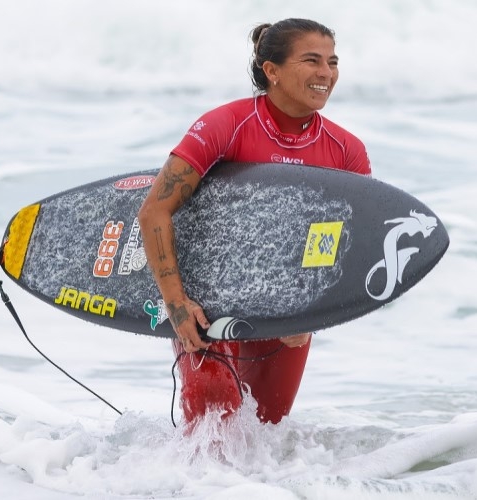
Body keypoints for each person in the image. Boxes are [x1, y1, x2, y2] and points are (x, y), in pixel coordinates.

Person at [138, 18, 371, 425]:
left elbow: (342, 240)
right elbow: (155, 210)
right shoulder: (225, 126)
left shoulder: (346, 151)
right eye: (311, 61)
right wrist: (176, 303)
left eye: (332, 62)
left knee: (266, 432)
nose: (326, 74)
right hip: (206, 301)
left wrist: (311, 313)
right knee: (213, 427)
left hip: (288, 312)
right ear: (272, 70)